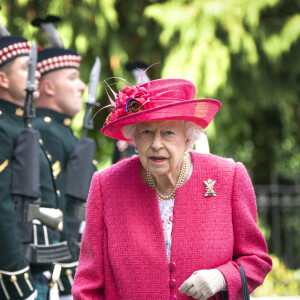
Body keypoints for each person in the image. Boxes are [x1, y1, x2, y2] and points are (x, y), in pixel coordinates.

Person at [72, 78, 272, 299]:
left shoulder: (228, 177)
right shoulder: (106, 185)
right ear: (134, 139)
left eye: (168, 133)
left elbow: (256, 261)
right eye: (147, 132)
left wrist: (222, 277)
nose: (156, 144)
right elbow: (87, 286)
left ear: (188, 139)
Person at [0, 34, 69, 300]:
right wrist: (14, 276)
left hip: (37, 264)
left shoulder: (22, 126)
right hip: (17, 271)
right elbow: (2, 205)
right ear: (3, 80)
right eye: (25, 67)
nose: (36, 73)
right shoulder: (5, 128)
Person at [32, 46, 95, 299]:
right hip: (57, 266)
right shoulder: (46, 131)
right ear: (47, 87)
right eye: (72, 77)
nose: (81, 85)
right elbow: (56, 206)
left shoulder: (63, 132)